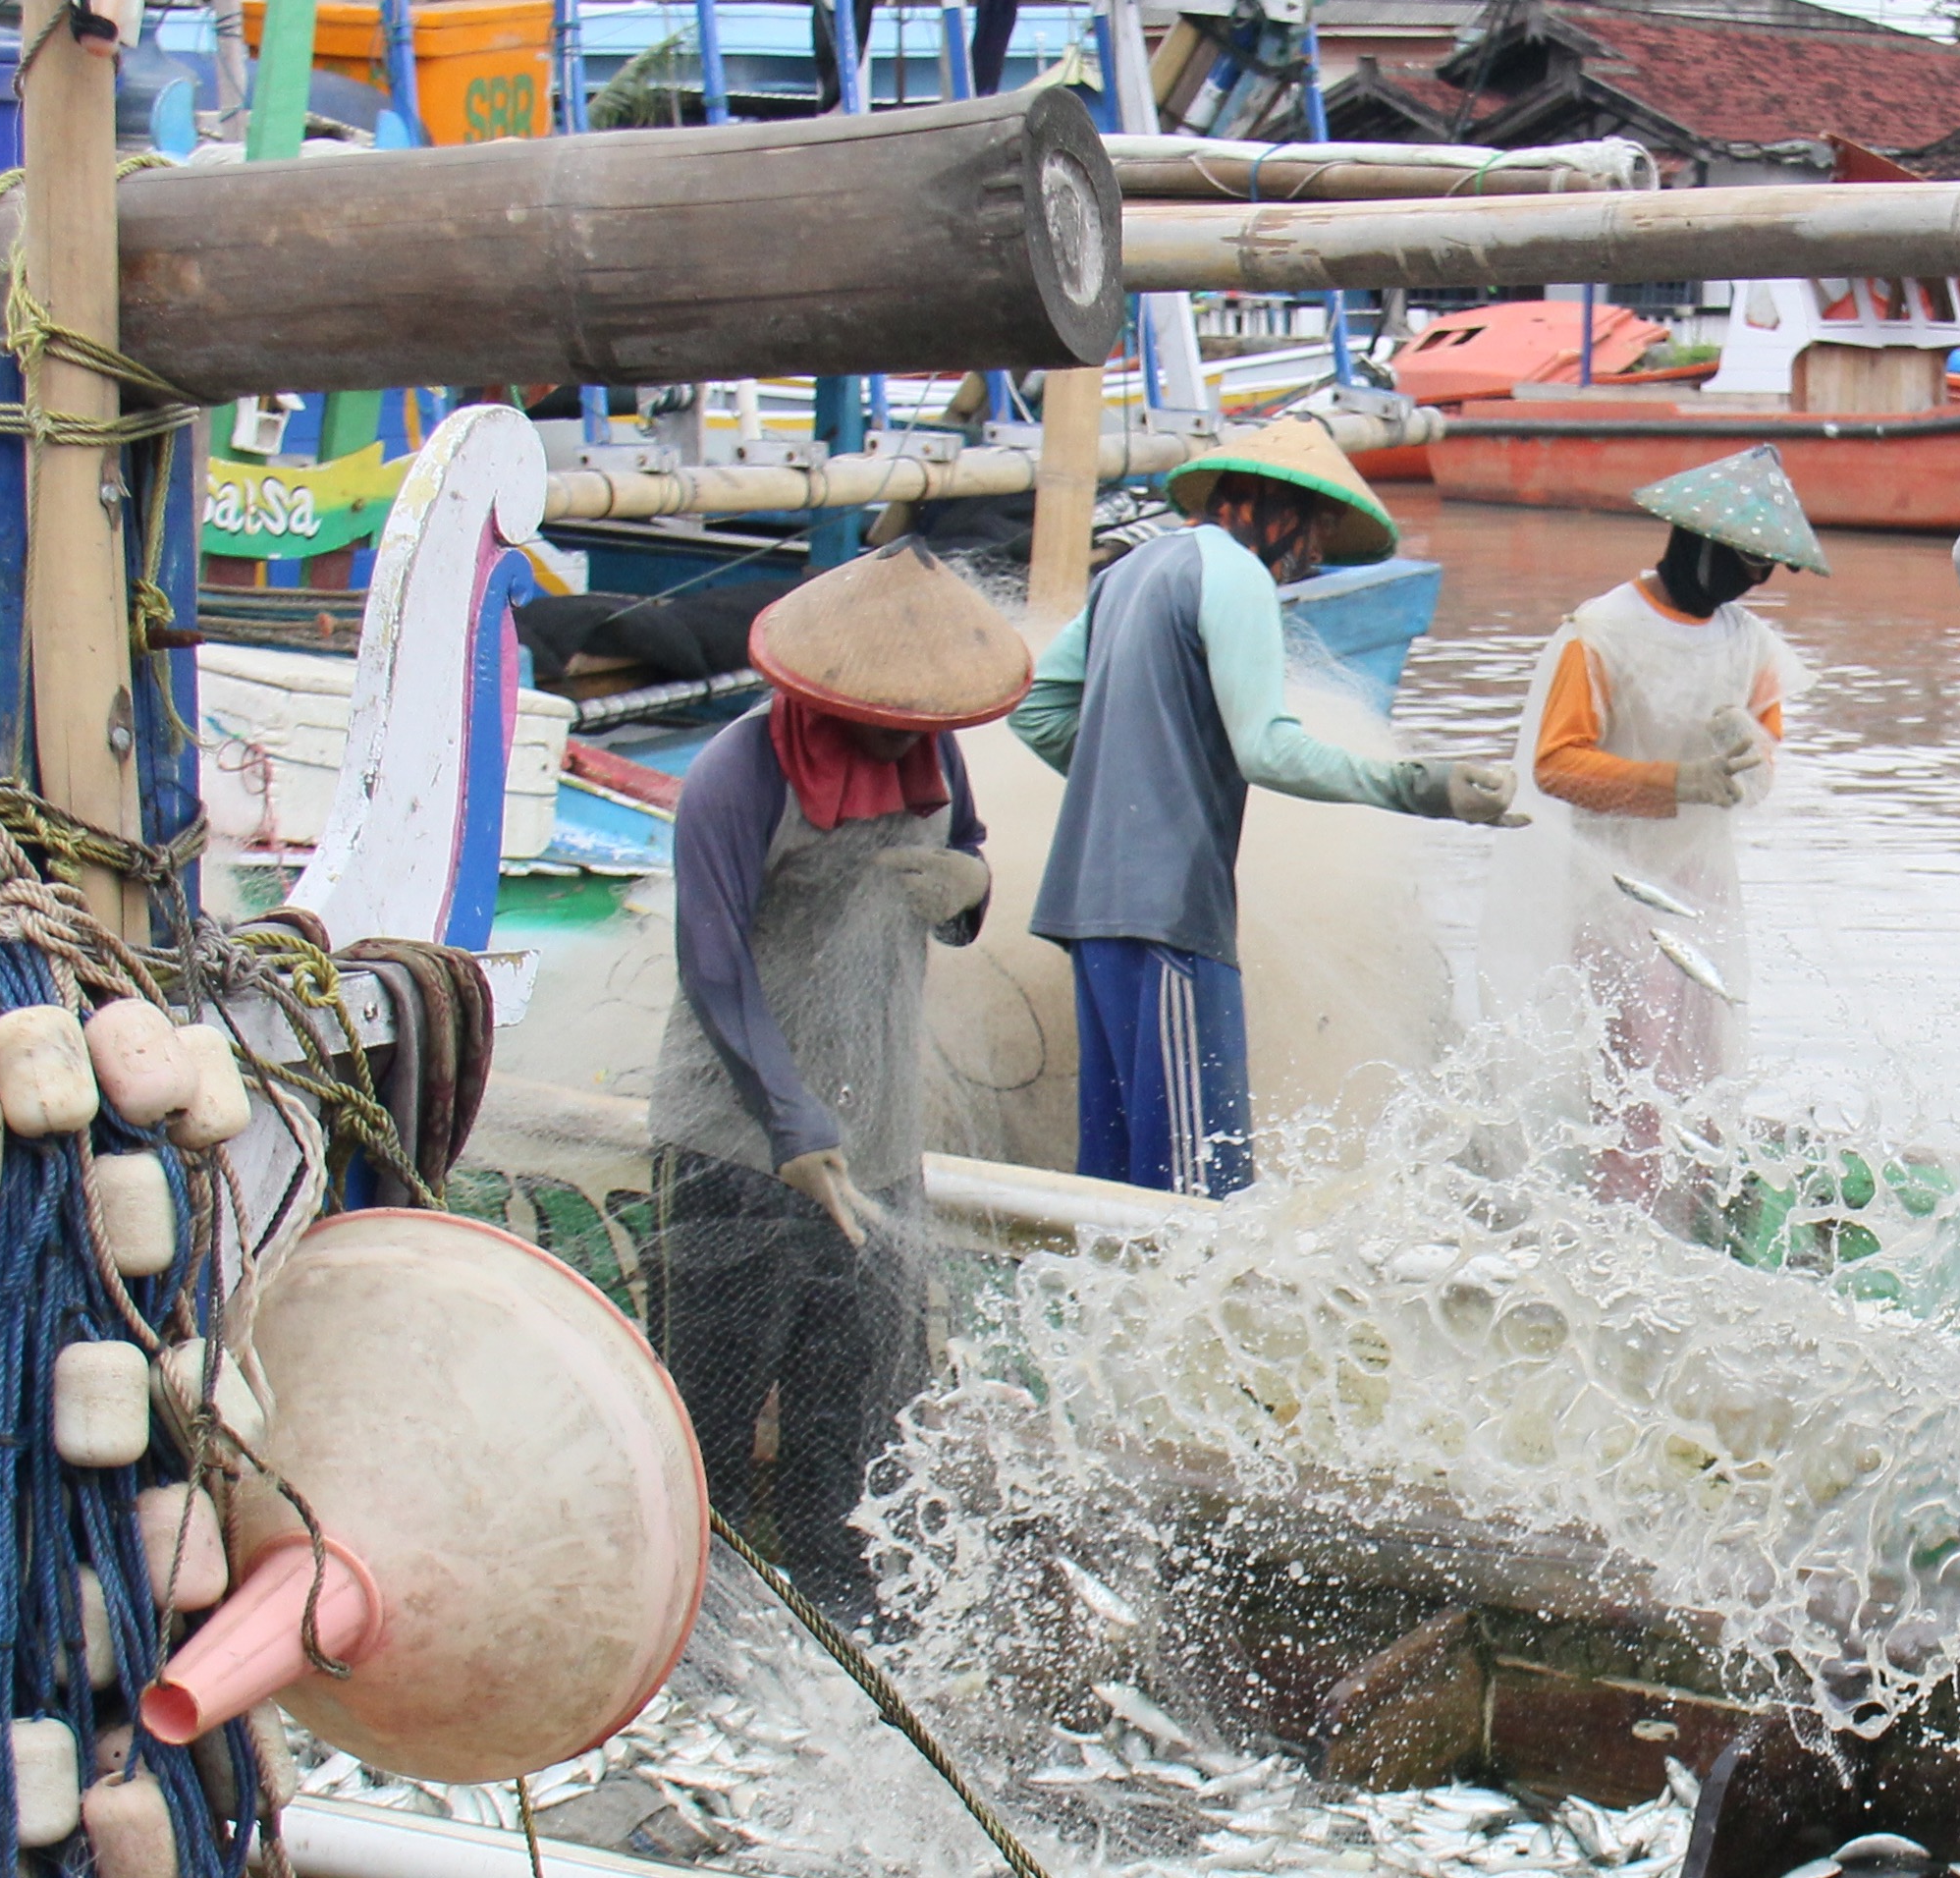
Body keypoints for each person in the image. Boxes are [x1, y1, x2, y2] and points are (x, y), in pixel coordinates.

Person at [643, 544, 1014, 1618]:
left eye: (924, 716)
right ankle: (686, 1623)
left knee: (852, 1423)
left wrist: (968, 882)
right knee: (704, 1414)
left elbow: (970, 875)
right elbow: (710, 962)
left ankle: (841, 1625)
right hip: (739, 1145)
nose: (905, 733)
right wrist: (789, 1122)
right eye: (884, 715)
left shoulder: (936, 758)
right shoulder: (738, 774)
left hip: (881, 1142)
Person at [1008, 419, 1514, 1196]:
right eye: (1314, 537)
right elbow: (1268, 749)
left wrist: (1137, 769)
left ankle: (1098, 1314)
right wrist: (1422, 785)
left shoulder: (1131, 570)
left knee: (1109, 1177)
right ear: (1278, 509)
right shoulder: (1235, 575)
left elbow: (1037, 710)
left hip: (1087, 913)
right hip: (1167, 915)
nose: (1309, 561)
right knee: (1198, 1182)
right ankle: (1182, 1320)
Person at [1514, 444, 1823, 1210]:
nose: (1760, 580)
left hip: (1703, 888)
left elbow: (1764, 766)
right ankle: (1619, 1234)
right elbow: (1555, 766)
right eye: (1753, 560)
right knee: (1632, 1074)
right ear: (1701, 539)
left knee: (1704, 1063)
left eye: (1772, 567)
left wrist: (1746, 756)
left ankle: (1691, 1216)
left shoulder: (1749, 645)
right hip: (1613, 889)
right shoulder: (1600, 633)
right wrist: (1676, 782)